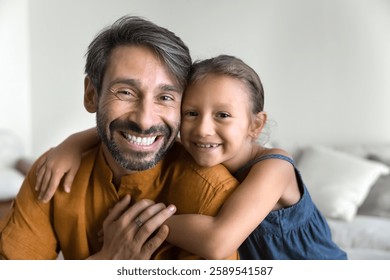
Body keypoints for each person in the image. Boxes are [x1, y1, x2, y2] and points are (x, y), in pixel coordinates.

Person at [33, 55, 347, 259]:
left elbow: (217, 242)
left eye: (223, 115)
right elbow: (130, 133)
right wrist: (72, 144)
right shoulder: (197, 151)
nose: (202, 130)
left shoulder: (275, 167)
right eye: (191, 113)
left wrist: (141, 222)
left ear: (256, 124)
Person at [0, 16, 241, 260]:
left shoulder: (211, 192)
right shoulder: (51, 172)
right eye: (126, 92)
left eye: (165, 97)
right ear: (92, 95)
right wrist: (105, 261)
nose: (145, 120)